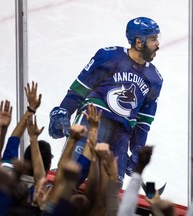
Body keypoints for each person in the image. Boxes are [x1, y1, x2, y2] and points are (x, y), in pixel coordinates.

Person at [49, 17, 163, 184]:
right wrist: (64, 110)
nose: (157, 44)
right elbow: (79, 89)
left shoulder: (155, 79)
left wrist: (138, 148)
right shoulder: (109, 57)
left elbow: (143, 121)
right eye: (153, 39)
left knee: (110, 196)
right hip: (92, 122)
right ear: (139, 42)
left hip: (120, 138)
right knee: (67, 181)